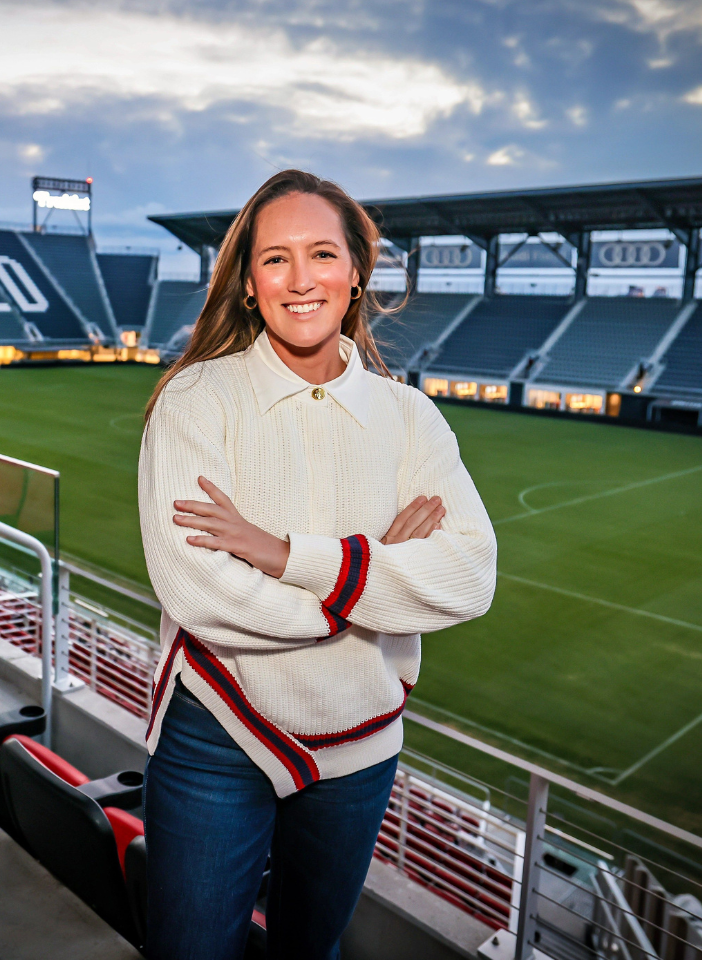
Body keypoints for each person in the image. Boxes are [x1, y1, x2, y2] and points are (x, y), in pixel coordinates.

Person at [138, 169, 497, 960]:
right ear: (248, 282)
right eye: (275, 258)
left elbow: (471, 576)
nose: (301, 279)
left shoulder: (410, 416)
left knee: (312, 951)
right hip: (219, 730)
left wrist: (284, 555)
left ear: (356, 272)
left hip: (361, 738)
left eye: (323, 254)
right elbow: (199, 589)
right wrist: (367, 581)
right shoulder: (197, 398)